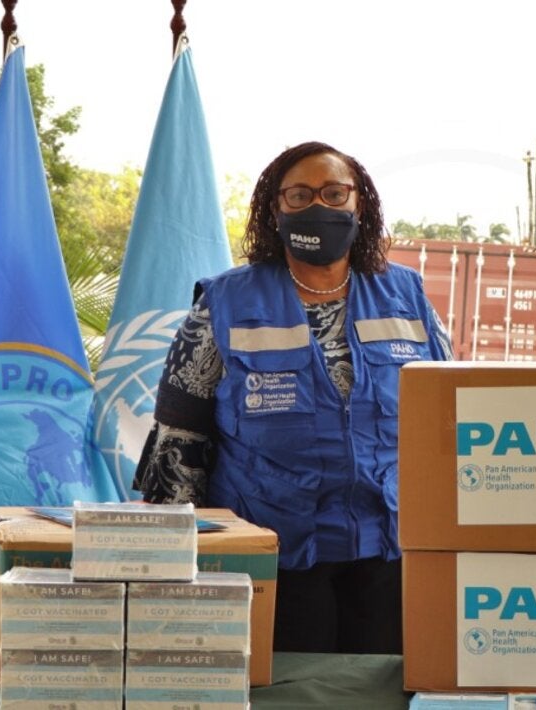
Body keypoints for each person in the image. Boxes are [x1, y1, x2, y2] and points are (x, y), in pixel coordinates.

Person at [133, 141, 452, 653]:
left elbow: (446, 416)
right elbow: (181, 432)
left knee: (378, 690)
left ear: (359, 203)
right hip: (270, 549)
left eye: (333, 192)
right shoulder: (225, 301)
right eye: (299, 195)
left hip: (386, 549)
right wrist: (179, 560)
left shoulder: (408, 295)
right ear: (275, 209)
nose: (318, 207)